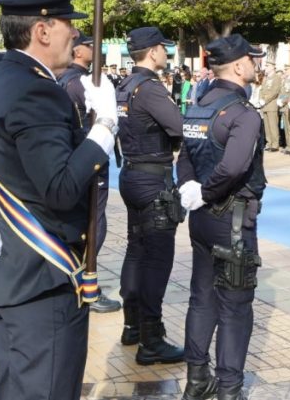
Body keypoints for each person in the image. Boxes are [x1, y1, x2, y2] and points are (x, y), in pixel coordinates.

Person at [0, 0, 117, 400]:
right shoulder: (36, 89)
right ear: (43, 30)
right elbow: (62, 189)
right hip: (41, 281)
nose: (77, 35)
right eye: (70, 25)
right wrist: (104, 130)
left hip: (13, 274)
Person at [177, 34, 266, 400]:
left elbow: (183, 156)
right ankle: (229, 388)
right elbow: (233, 168)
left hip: (202, 218)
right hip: (233, 220)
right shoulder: (243, 114)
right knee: (235, 306)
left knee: (201, 297)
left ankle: (197, 378)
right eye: (254, 59)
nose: (257, 65)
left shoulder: (198, 106)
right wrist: (206, 191)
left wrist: (190, 189)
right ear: (240, 65)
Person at [115, 27, 186, 365]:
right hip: (152, 177)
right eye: (163, 48)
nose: (165, 54)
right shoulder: (150, 88)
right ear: (154, 51)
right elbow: (179, 127)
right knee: (156, 260)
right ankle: (151, 339)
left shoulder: (127, 85)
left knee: (136, 251)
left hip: (131, 174)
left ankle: (132, 325)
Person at [56, 31, 122, 314]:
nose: (95, 48)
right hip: (88, 159)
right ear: (77, 51)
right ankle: (85, 285)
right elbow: (83, 128)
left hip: (80, 160)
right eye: (89, 44)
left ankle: (78, 282)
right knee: (94, 223)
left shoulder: (67, 79)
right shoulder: (78, 82)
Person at [258, 63, 282, 151]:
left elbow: (275, 91)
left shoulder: (277, 78)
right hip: (264, 105)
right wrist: (260, 99)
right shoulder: (266, 78)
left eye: (267, 66)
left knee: (273, 126)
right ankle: (269, 143)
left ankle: (275, 145)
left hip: (271, 104)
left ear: (272, 67)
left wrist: (265, 100)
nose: (266, 68)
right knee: (267, 127)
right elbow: (261, 90)